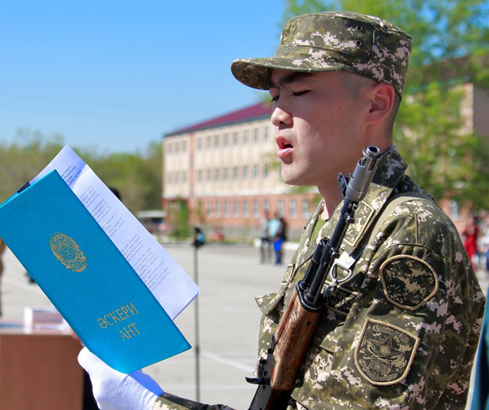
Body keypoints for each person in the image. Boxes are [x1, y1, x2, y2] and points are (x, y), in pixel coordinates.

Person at [79, 11, 485, 410]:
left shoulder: (409, 233)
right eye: (275, 96)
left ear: (376, 105)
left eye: (301, 92)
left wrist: (151, 406)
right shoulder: (334, 223)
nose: (276, 114)